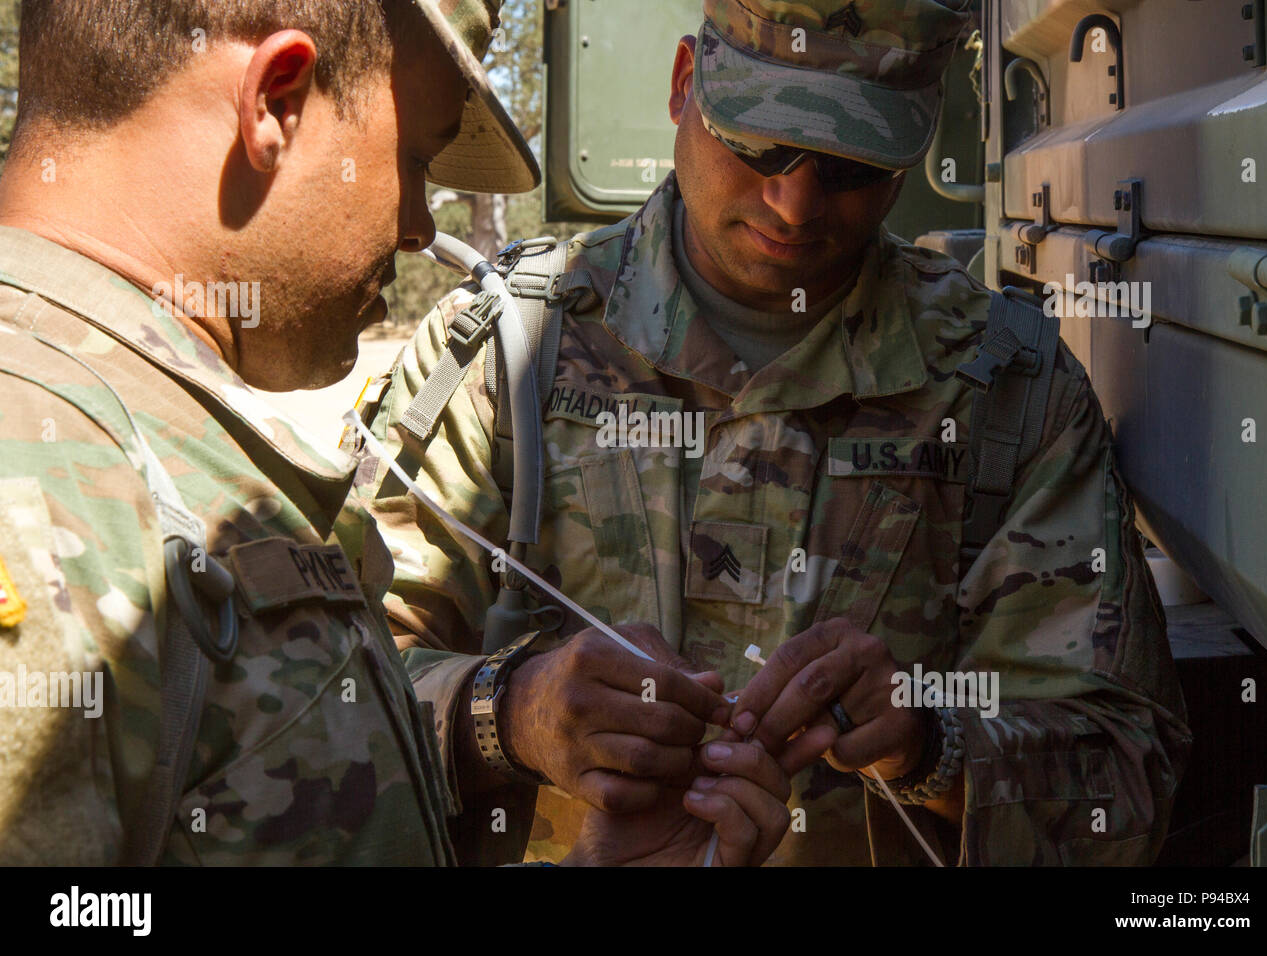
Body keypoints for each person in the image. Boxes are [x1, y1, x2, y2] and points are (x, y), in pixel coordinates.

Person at [355, 0, 1193, 866]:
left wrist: (927, 745)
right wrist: (512, 712)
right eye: (758, 145)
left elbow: (1125, 783)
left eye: (851, 165)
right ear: (686, 87)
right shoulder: (505, 355)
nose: (794, 204)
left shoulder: (1008, 390)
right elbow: (311, 706)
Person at [0, 0, 791, 867]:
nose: (419, 225)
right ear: (276, 100)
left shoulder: (144, 447)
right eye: (415, 158)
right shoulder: (36, 480)